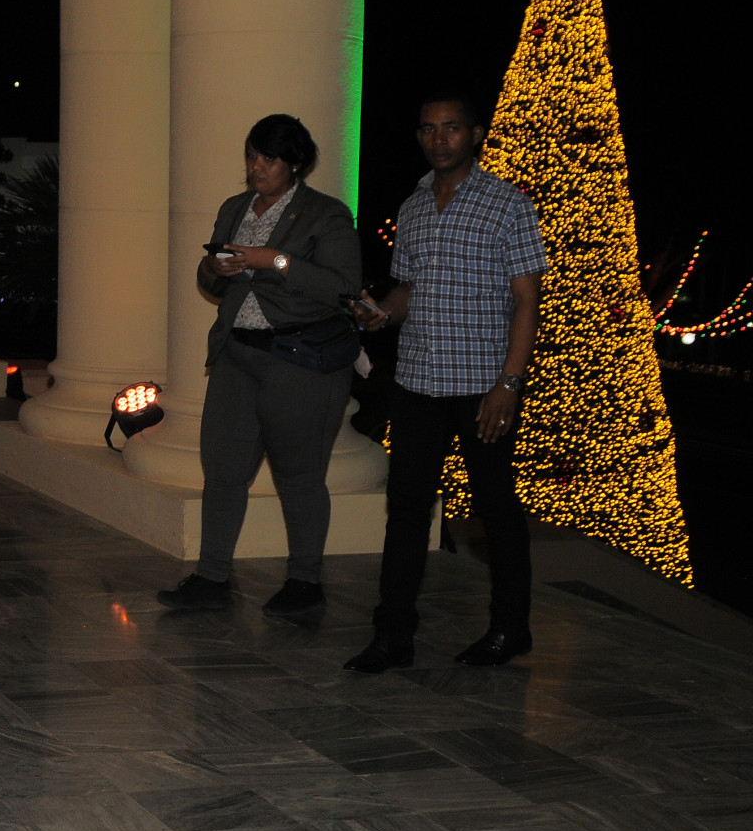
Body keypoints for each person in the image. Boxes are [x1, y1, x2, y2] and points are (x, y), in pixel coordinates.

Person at [343, 94, 546, 673]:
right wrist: (381, 312)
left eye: (452, 128)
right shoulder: (412, 206)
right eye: (429, 129)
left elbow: (528, 300)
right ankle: (392, 635)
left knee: (496, 510)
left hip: (483, 388)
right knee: (406, 510)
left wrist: (509, 384)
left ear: (475, 134)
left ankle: (511, 627)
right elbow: (409, 289)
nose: (440, 139)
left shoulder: (508, 204)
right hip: (417, 381)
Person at [157, 115, 363, 617]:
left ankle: (305, 582)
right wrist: (214, 267)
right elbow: (212, 283)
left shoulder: (326, 214)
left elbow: (343, 288)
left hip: (298, 359)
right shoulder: (234, 208)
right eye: (252, 155)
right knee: (223, 470)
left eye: (269, 158)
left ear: (294, 163)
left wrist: (276, 261)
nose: (257, 167)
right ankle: (211, 577)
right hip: (236, 355)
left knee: (299, 475)